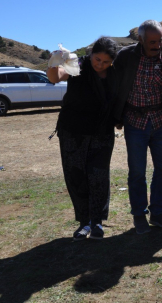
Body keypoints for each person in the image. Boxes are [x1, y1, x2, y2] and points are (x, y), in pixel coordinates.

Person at [112, 20, 162, 234]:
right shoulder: (125, 57)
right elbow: (113, 83)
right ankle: (139, 215)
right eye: (152, 41)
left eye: (160, 40)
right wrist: (117, 115)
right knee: (137, 172)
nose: (157, 45)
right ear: (140, 39)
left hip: (161, 121)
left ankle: (158, 213)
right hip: (135, 122)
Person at [47, 37, 119, 241]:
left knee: (98, 176)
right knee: (76, 176)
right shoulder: (78, 65)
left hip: (102, 131)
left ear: (112, 61)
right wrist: (54, 62)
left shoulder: (115, 72)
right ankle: (84, 222)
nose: (100, 65)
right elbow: (55, 77)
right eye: (97, 59)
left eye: (105, 62)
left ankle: (97, 221)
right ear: (91, 55)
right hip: (73, 131)